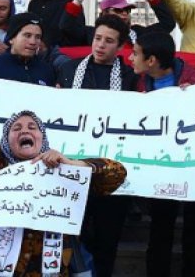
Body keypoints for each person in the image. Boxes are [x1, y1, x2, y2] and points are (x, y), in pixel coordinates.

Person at [0, 49, 127, 276]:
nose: (25, 130)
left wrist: (72, 164)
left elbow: (116, 174)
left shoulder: (62, 170)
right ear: (6, 139)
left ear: (43, 139)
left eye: (32, 127)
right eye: (17, 128)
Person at [56, 14, 136, 277]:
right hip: (71, 169)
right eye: (98, 38)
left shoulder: (130, 77)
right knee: (70, 239)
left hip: (109, 173)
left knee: (106, 240)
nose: (100, 45)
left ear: (121, 46)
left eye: (109, 41)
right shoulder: (69, 70)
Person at [128, 31, 195, 277]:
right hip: (159, 170)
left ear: (151, 60)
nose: (130, 58)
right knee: (160, 230)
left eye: (135, 53)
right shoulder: (137, 83)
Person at [61, 0, 176, 46]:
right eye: (118, 10)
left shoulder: (139, 33)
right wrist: (77, 1)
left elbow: (168, 24)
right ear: (105, 13)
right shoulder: (90, 34)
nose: (125, 13)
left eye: (127, 10)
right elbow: (66, 27)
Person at [0, 12, 56, 86]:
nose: (33, 42)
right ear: (12, 38)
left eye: (38, 37)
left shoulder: (47, 71)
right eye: (27, 35)